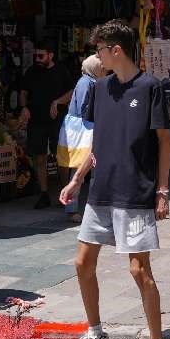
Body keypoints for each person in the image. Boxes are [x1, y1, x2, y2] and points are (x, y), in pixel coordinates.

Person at [59, 20, 170, 339]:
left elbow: (165, 143)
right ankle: (96, 332)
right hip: (100, 190)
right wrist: (77, 179)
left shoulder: (150, 87)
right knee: (82, 262)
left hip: (136, 191)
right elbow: (98, 140)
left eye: (100, 50)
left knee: (140, 272)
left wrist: (163, 191)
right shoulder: (101, 88)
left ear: (116, 50)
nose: (97, 57)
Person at [20, 40, 74, 209]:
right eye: (36, 55)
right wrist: (24, 108)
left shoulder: (61, 71)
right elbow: (23, 92)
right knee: (39, 156)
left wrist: (57, 102)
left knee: (61, 157)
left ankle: (66, 192)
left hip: (58, 120)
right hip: (36, 120)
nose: (37, 58)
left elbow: (72, 92)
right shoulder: (31, 72)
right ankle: (44, 193)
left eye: (41, 56)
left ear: (50, 55)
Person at [57, 55, 106, 223]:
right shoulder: (86, 83)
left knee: (86, 169)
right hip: (83, 131)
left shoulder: (91, 81)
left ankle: (93, 206)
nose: (105, 69)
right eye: (102, 67)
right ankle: (71, 209)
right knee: (80, 169)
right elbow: (86, 109)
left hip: (86, 129)